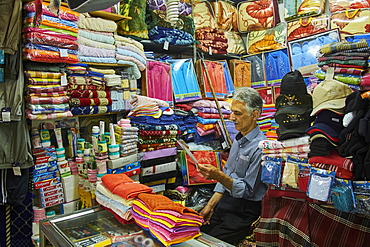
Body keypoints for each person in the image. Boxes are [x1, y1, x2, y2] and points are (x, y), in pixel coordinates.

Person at [198, 87, 268, 245]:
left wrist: (218, 176)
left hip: (244, 211)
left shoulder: (260, 148)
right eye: (232, 112)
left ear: (254, 115)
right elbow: (228, 172)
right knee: (195, 233)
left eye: (238, 113)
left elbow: (247, 190)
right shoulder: (238, 140)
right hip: (226, 203)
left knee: (211, 243)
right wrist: (210, 205)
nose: (231, 117)